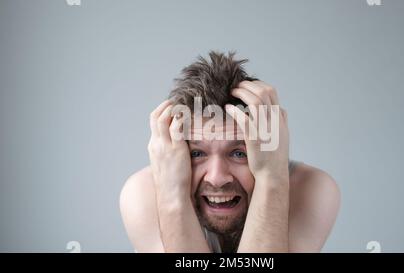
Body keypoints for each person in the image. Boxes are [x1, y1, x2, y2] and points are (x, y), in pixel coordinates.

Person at [119, 51, 340, 252]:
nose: (217, 178)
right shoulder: (142, 192)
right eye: (197, 154)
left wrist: (272, 178)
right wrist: (172, 193)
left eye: (238, 153)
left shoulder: (311, 188)